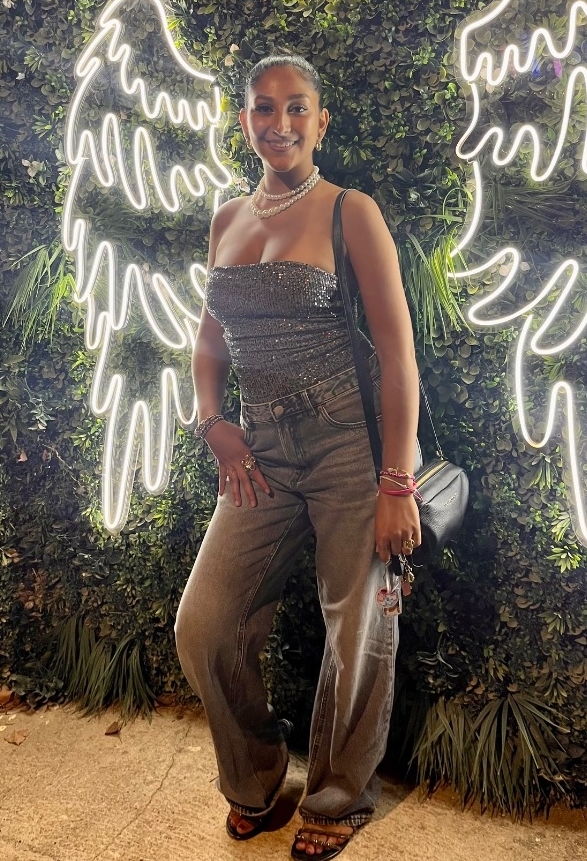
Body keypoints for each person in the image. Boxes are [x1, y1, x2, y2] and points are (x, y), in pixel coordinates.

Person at [174, 54, 420, 859]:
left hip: (350, 448)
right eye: (262, 107)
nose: (278, 123)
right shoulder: (225, 218)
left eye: (296, 107)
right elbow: (210, 338)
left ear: (320, 120)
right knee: (204, 625)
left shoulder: (351, 211)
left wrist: (396, 481)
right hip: (261, 455)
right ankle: (254, 778)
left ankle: (338, 798)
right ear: (244, 118)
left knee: (358, 633)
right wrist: (212, 421)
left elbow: (398, 356)